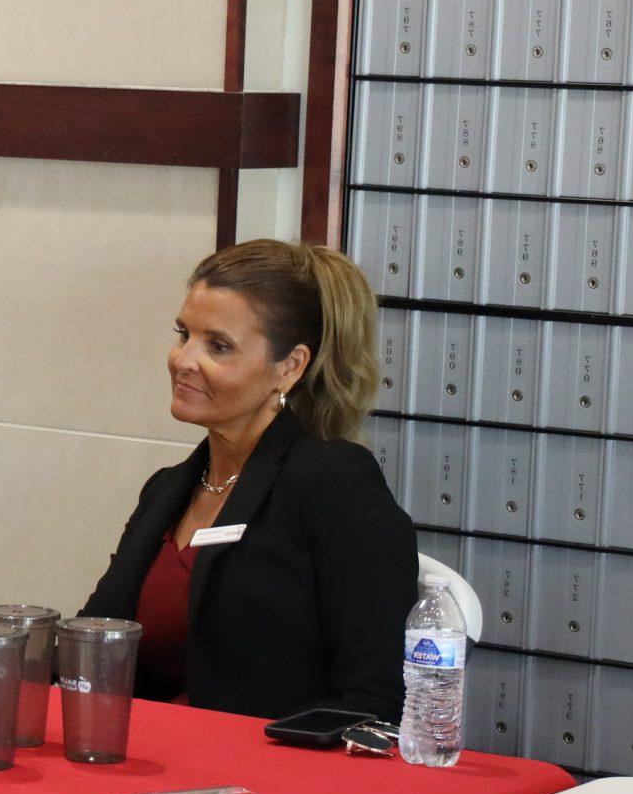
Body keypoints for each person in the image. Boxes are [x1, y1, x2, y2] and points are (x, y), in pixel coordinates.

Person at [78, 239, 413, 722]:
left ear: (289, 366)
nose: (183, 360)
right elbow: (92, 643)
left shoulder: (333, 482)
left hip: (266, 775)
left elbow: (375, 697)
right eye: (183, 334)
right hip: (140, 762)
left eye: (218, 346)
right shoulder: (167, 490)